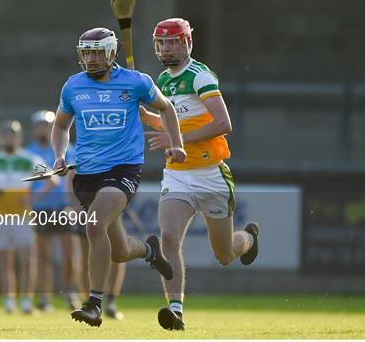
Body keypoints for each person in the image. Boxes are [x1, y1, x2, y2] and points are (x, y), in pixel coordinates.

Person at [51, 27, 186, 327]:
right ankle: (149, 250)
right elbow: (61, 126)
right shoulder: (73, 86)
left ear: (112, 52)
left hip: (123, 170)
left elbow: (166, 109)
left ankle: (94, 303)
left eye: (98, 52)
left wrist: (176, 143)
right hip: (85, 174)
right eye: (87, 52)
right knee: (121, 251)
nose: (92, 58)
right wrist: (60, 156)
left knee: (95, 225)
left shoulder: (137, 82)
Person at [140, 18, 259, 331]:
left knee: (224, 255)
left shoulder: (200, 76)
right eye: (162, 43)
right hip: (178, 175)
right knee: (168, 237)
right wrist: (147, 116)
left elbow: (223, 124)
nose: (166, 49)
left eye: (173, 42)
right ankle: (176, 310)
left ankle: (248, 239)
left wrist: (174, 140)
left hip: (211, 174)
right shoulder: (163, 80)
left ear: (187, 43)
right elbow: (173, 122)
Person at [0, 120, 49, 314]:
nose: (8, 138)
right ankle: (8, 300)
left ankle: (26, 301)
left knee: (27, 259)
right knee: (5, 260)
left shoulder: (29, 159)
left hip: (23, 216)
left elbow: (50, 178)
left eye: (12, 135)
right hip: (0, 216)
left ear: (19, 137)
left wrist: (35, 197)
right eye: (5, 135)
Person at [25, 110, 82, 312]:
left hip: (63, 206)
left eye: (47, 125)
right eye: (39, 126)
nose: (43, 129)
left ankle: (70, 293)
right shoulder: (28, 152)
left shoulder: (67, 149)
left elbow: (73, 178)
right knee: (43, 256)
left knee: (69, 253)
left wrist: (74, 202)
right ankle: (45, 298)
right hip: (40, 209)